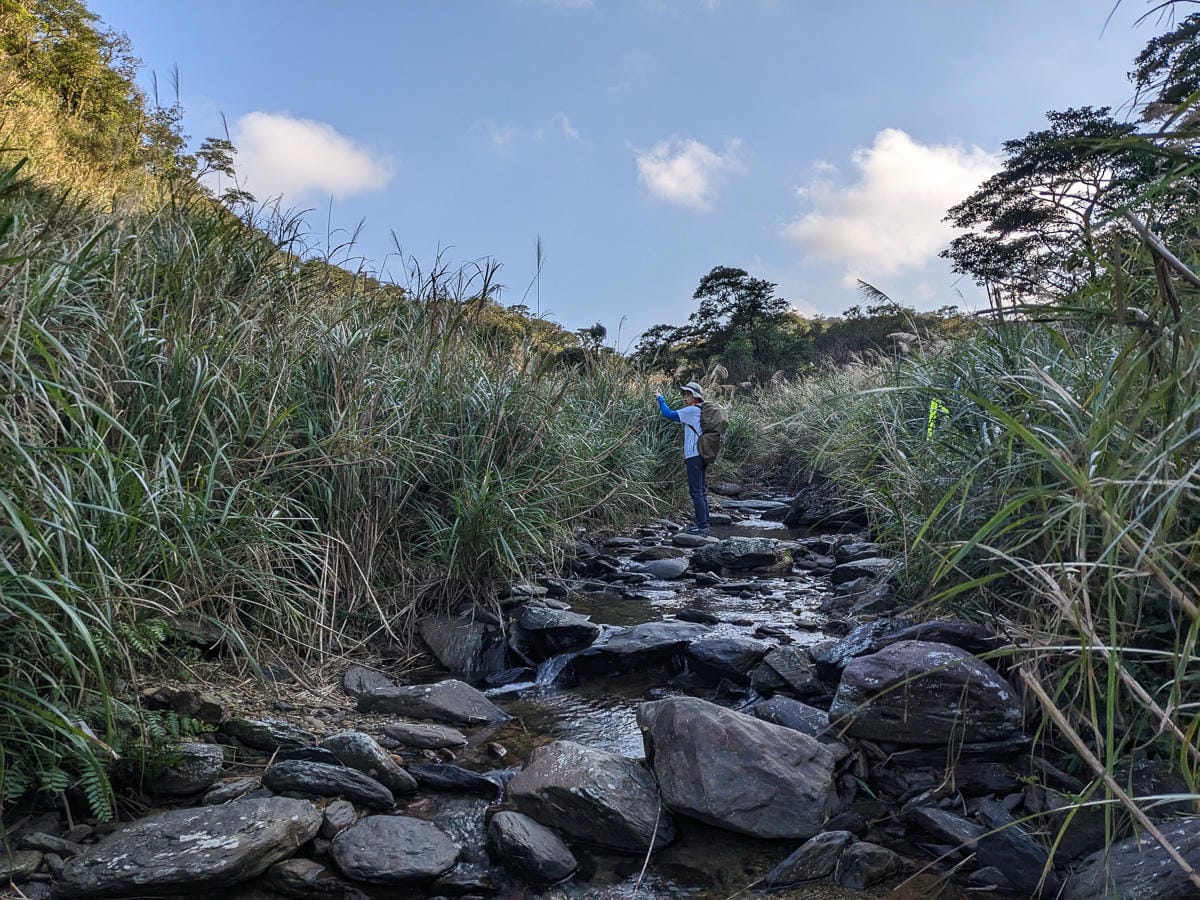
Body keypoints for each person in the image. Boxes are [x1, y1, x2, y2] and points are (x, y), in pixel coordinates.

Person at [655, 381, 709, 535]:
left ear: (695, 396)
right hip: (702, 455)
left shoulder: (692, 410)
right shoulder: (701, 410)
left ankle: (702, 527)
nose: (685, 397)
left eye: (688, 394)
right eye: (684, 394)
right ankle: (704, 524)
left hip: (695, 456)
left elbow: (668, 414)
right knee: (701, 491)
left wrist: (660, 399)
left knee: (696, 492)